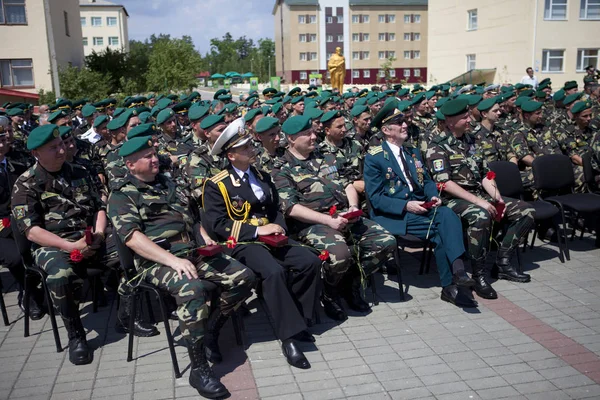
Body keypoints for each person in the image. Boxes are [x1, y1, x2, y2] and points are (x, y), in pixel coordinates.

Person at [108, 136, 255, 398]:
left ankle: (210, 330)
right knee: (192, 289)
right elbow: (132, 238)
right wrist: (172, 260)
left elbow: (190, 217)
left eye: (154, 154)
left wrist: (204, 236)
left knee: (242, 277)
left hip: (191, 251)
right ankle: (199, 367)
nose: (155, 159)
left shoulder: (168, 183)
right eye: (147, 156)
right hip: (155, 260)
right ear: (130, 164)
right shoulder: (122, 195)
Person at [202, 118, 320, 370]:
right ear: (231, 155)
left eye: (250, 145)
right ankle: (289, 338)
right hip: (242, 242)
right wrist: (257, 230)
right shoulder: (217, 184)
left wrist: (279, 229)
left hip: (271, 237)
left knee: (309, 262)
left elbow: (275, 207)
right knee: (273, 272)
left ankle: (298, 320)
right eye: (244, 148)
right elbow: (218, 225)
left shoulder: (261, 175)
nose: (251, 149)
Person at [12, 124, 118, 365]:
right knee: (60, 275)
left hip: (91, 235)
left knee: (128, 250)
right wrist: (69, 247)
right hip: (53, 244)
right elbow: (31, 231)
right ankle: (76, 334)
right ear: (36, 154)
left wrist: (99, 234)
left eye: (61, 145)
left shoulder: (81, 171)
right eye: (53, 148)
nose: (61, 150)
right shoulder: (26, 184)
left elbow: (100, 208)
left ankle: (128, 313)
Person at [274, 115, 396, 321]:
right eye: (307, 134)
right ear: (291, 139)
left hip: (344, 216)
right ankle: (329, 293)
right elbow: (292, 208)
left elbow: (348, 183)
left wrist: (353, 207)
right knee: (340, 255)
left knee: (385, 242)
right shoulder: (281, 168)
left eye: (313, 132)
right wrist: (328, 221)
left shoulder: (326, 155)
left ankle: (352, 283)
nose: (314, 137)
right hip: (313, 224)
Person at [364, 100, 477, 307]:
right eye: (398, 122)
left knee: (444, 219)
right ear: (386, 130)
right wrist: (406, 206)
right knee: (444, 223)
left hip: (420, 209)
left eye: (404, 120)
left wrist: (433, 196)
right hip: (395, 215)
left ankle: (454, 281)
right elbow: (376, 198)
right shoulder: (375, 158)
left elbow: (426, 180)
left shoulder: (412, 151)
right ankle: (455, 277)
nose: (405, 125)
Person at [426, 99, 535, 299]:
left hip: (479, 195)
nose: (469, 119)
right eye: (464, 117)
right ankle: (479, 274)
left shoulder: (471, 140)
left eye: (469, 115)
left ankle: (503, 261)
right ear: (451, 122)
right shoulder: (437, 147)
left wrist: (497, 197)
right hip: (452, 200)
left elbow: (487, 174)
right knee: (481, 216)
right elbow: (444, 184)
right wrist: (481, 202)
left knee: (526, 211)